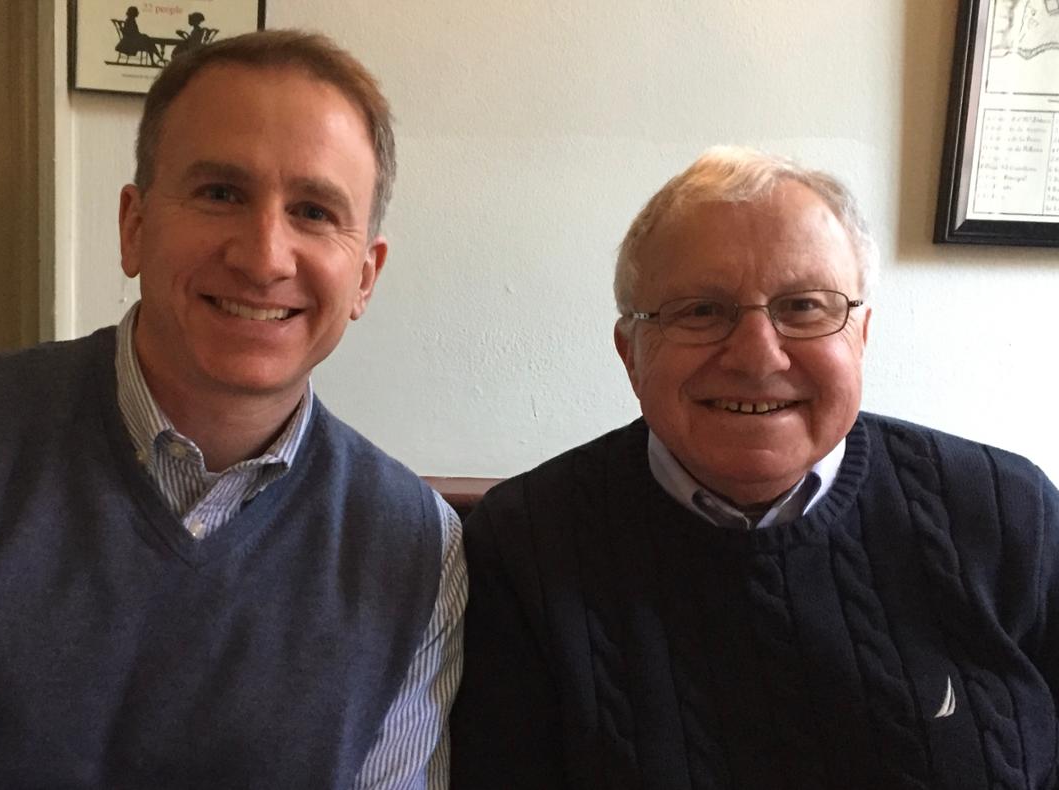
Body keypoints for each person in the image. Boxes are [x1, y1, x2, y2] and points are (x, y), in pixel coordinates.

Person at [0, 30, 465, 789]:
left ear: (365, 278)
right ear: (134, 227)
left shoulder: (418, 548)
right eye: (221, 194)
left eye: (313, 211)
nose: (263, 257)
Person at [450, 146, 1059, 789]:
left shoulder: (1007, 511)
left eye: (804, 306)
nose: (757, 356)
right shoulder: (526, 543)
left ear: (861, 336)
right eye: (700, 310)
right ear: (631, 353)